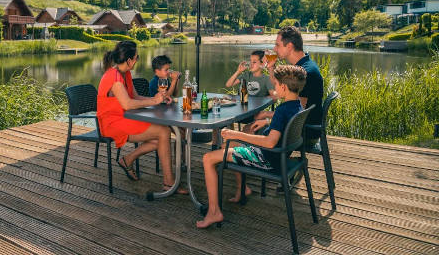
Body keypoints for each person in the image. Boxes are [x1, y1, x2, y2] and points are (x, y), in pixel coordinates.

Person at [196, 65, 307, 228]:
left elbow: (270, 142)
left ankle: (214, 212)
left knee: (208, 158)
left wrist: (236, 134)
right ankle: (242, 189)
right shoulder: (297, 105)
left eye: (275, 85)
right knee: (231, 145)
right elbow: (283, 127)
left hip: (267, 159)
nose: (275, 88)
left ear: (283, 87)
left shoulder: (283, 110)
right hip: (278, 156)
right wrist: (268, 121)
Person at [97, 41, 187, 193]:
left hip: (124, 117)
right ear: (129, 60)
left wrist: (159, 99)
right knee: (163, 132)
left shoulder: (125, 73)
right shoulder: (114, 77)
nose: (137, 60)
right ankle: (169, 183)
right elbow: (127, 104)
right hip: (112, 123)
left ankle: (127, 160)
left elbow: (136, 97)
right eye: (136, 57)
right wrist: (154, 101)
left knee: (160, 138)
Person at [263, 26, 324, 146]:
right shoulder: (303, 66)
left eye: (277, 45)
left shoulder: (305, 73)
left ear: (289, 46)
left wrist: (266, 116)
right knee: (255, 127)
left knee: (250, 129)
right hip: (300, 129)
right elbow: (280, 90)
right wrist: (271, 67)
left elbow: (296, 115)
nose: (274, 49)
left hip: (303, 135)